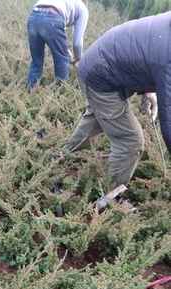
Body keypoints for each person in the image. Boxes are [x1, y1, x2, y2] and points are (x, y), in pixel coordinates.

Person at [65, 11, 170, 190]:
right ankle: (111, 198)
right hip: (100, 76)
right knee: (130, 140)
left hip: (96, 64)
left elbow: (143, 53)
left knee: (97, 118)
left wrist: (149, 90)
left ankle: (62, 156)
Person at [27, 0, 89, 90]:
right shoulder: (83, 9)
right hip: (52, 18)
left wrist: (67, 52)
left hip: (33, 17)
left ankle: (30, 90)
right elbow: (77, 43)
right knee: (62, 60)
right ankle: (60, 93)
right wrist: (78, 60)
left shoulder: (67, 4)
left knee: (36, 61)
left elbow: (59, 37)